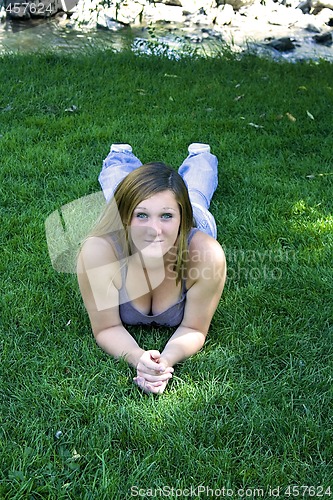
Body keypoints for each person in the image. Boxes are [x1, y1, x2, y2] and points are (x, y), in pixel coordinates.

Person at [77, 143, 226, 394]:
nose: (154, 230)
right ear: (125, 217)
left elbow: (195, 328)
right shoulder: (99, 253)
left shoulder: (206, 255)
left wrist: (165, 362)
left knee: (196, 196)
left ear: (182, 218)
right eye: (141, 215)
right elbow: (106, 327)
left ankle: (201, 156)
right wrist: (139, 359)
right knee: (117, 191)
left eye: (167, 216)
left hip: (191, 224)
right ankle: (119, 155)